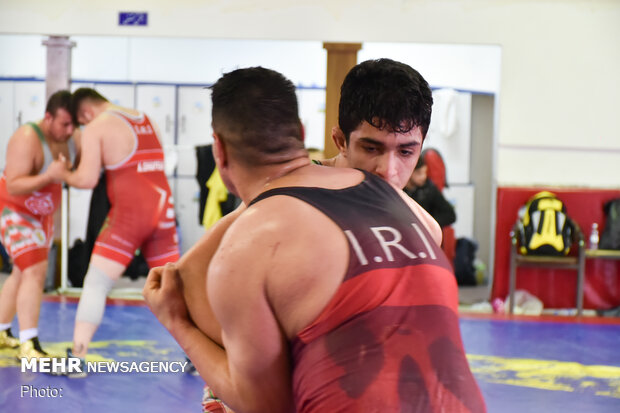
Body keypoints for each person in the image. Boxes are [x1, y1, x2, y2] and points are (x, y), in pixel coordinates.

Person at [144, 67, 486, 412]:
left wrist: (180, 326)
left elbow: (265, 402)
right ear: (338, 140)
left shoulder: (424, 223)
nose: (389, 171)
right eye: (371, 148)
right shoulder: (268, 219)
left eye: (407, 153)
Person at [55, 88, 180, 374]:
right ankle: (200, 358)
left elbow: (86, 180)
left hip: (131, 216)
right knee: (176, 289)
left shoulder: (97, 127)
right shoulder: (147, 119)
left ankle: (77, 358)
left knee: (96, 284)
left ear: (85, 114)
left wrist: (62, 174)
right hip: (163, 210)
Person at [0, 90, 76, 359]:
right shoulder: (27, 138)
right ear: (48, 117)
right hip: (14, 209)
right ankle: (28, 344)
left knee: (22, 272)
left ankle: (1, 331)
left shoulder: (70, 138)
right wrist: (50, 175)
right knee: (34, 270)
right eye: (64, 124)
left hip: (42, 215)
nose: (69, 130)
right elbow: (14, 184)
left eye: (74, 124)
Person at [404, 155, 456, 228]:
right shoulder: (399, 190)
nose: (424, 176)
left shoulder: (429, 189)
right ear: (409, 172)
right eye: (419, 173)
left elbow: (450, 215)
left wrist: (428, 223)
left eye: (425, 172)